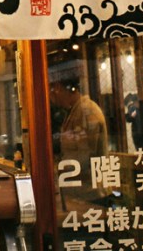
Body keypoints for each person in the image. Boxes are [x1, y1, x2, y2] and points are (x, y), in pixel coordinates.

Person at [50, 77, 109, 207]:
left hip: (91, 194)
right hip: (80, 192)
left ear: (59, 88)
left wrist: (56, 169)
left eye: (52, 92)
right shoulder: (75, 110)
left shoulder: (87, 111)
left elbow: (84, 158)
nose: (52, 99)